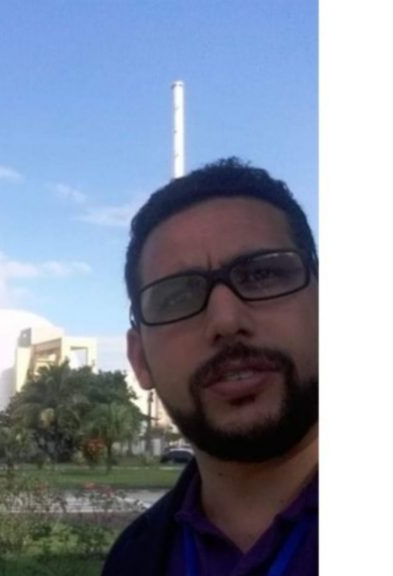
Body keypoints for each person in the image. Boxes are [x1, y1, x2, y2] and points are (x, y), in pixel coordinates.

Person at [102, 158, 318, 575]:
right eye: (177, 296)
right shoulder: (130, 560)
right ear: (140, 360)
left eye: (262, 274)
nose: (225, 320)